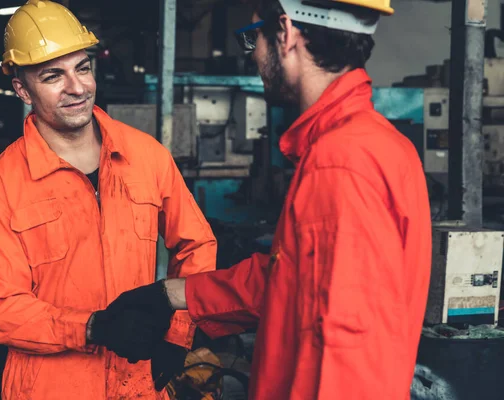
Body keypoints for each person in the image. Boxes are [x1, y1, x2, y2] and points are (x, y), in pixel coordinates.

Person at [103, 0, 433, 399]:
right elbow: (289, 281)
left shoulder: (340, 162)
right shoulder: (380, 144)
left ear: (286, 32)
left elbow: (345, 348)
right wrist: (173, 295)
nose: (254, 56)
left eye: (252, 38)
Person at [0, 1, 216, 399]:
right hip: (51, 388)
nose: (77, 87)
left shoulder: (147, 157)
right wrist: (93, 327)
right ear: (22, 89)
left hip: (140, 382)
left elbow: (197, 244)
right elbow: (0, 309)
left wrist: (178, 333)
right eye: (53, 76)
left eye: (82, 68)